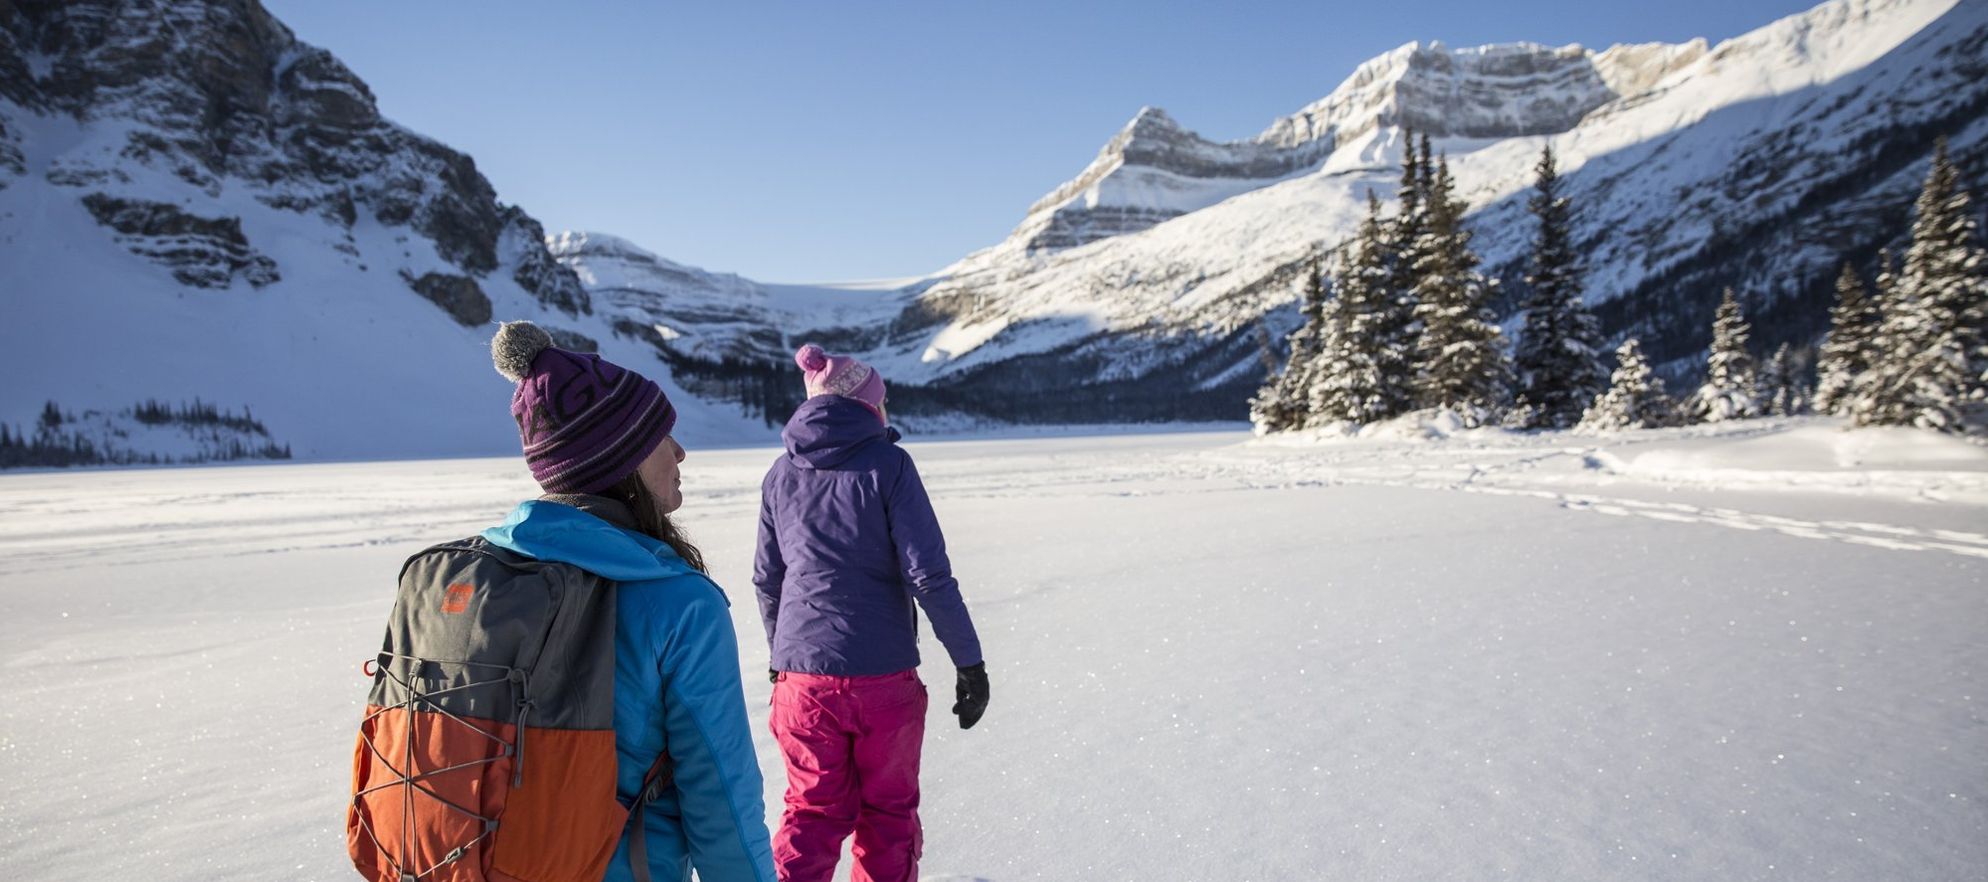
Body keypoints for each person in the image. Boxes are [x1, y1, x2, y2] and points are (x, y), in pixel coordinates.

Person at [482, 321, 776, 882]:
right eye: (662, 436)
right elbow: (721, 797)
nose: (681, 452)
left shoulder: (489, 576)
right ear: (624, 460)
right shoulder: (677, 603)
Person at [753, 343, 990, 882]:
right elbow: (927, 575)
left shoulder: (779, 474)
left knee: (810, 812)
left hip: (802, 681)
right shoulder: (890, 465)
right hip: (882, 680)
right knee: (887, 815)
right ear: (869, 405)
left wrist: (781, 654)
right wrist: (969, 664)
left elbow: (768, 578)